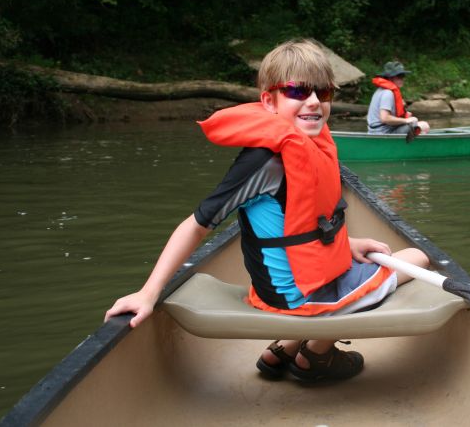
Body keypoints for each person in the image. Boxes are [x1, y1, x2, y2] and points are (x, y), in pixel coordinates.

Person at [104, 39, 429, 383]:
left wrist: (349, 244)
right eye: (297, 91)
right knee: (417, 258)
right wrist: (148, 293)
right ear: (268, 101)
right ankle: (315, 354)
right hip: (297, 297)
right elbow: (196, 225)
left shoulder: (308, 146)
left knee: (370, 259)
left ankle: (285, 348)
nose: (313, 101)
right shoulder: (262, 163)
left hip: (281, 289)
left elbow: (301, 228)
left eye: (323, 92)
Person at [367, 61, 430, 135]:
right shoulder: (387, 93)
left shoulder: (381, 90)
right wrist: (406, 120)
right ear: (390, 78)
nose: (402, 79)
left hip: (379, 131)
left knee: (415, 123)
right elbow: (384, 118)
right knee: (424, 126)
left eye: (403, 76)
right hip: (383, 132)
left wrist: (405, 117)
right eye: (399, 76)